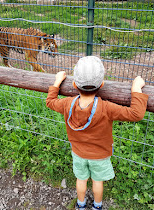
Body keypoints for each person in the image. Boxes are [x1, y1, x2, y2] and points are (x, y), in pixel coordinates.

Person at [46, 56, 148, 210]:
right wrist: (136, 89)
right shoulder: (107, 108)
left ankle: (80, 205)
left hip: (78, 153)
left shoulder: (67, 104)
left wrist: (57, 82)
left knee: (81, 180)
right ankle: (97, 206)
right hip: (100, 155)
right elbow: (136, 114)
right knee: (97, 182)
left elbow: (50, 101)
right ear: (101, 84)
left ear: (74, 84)